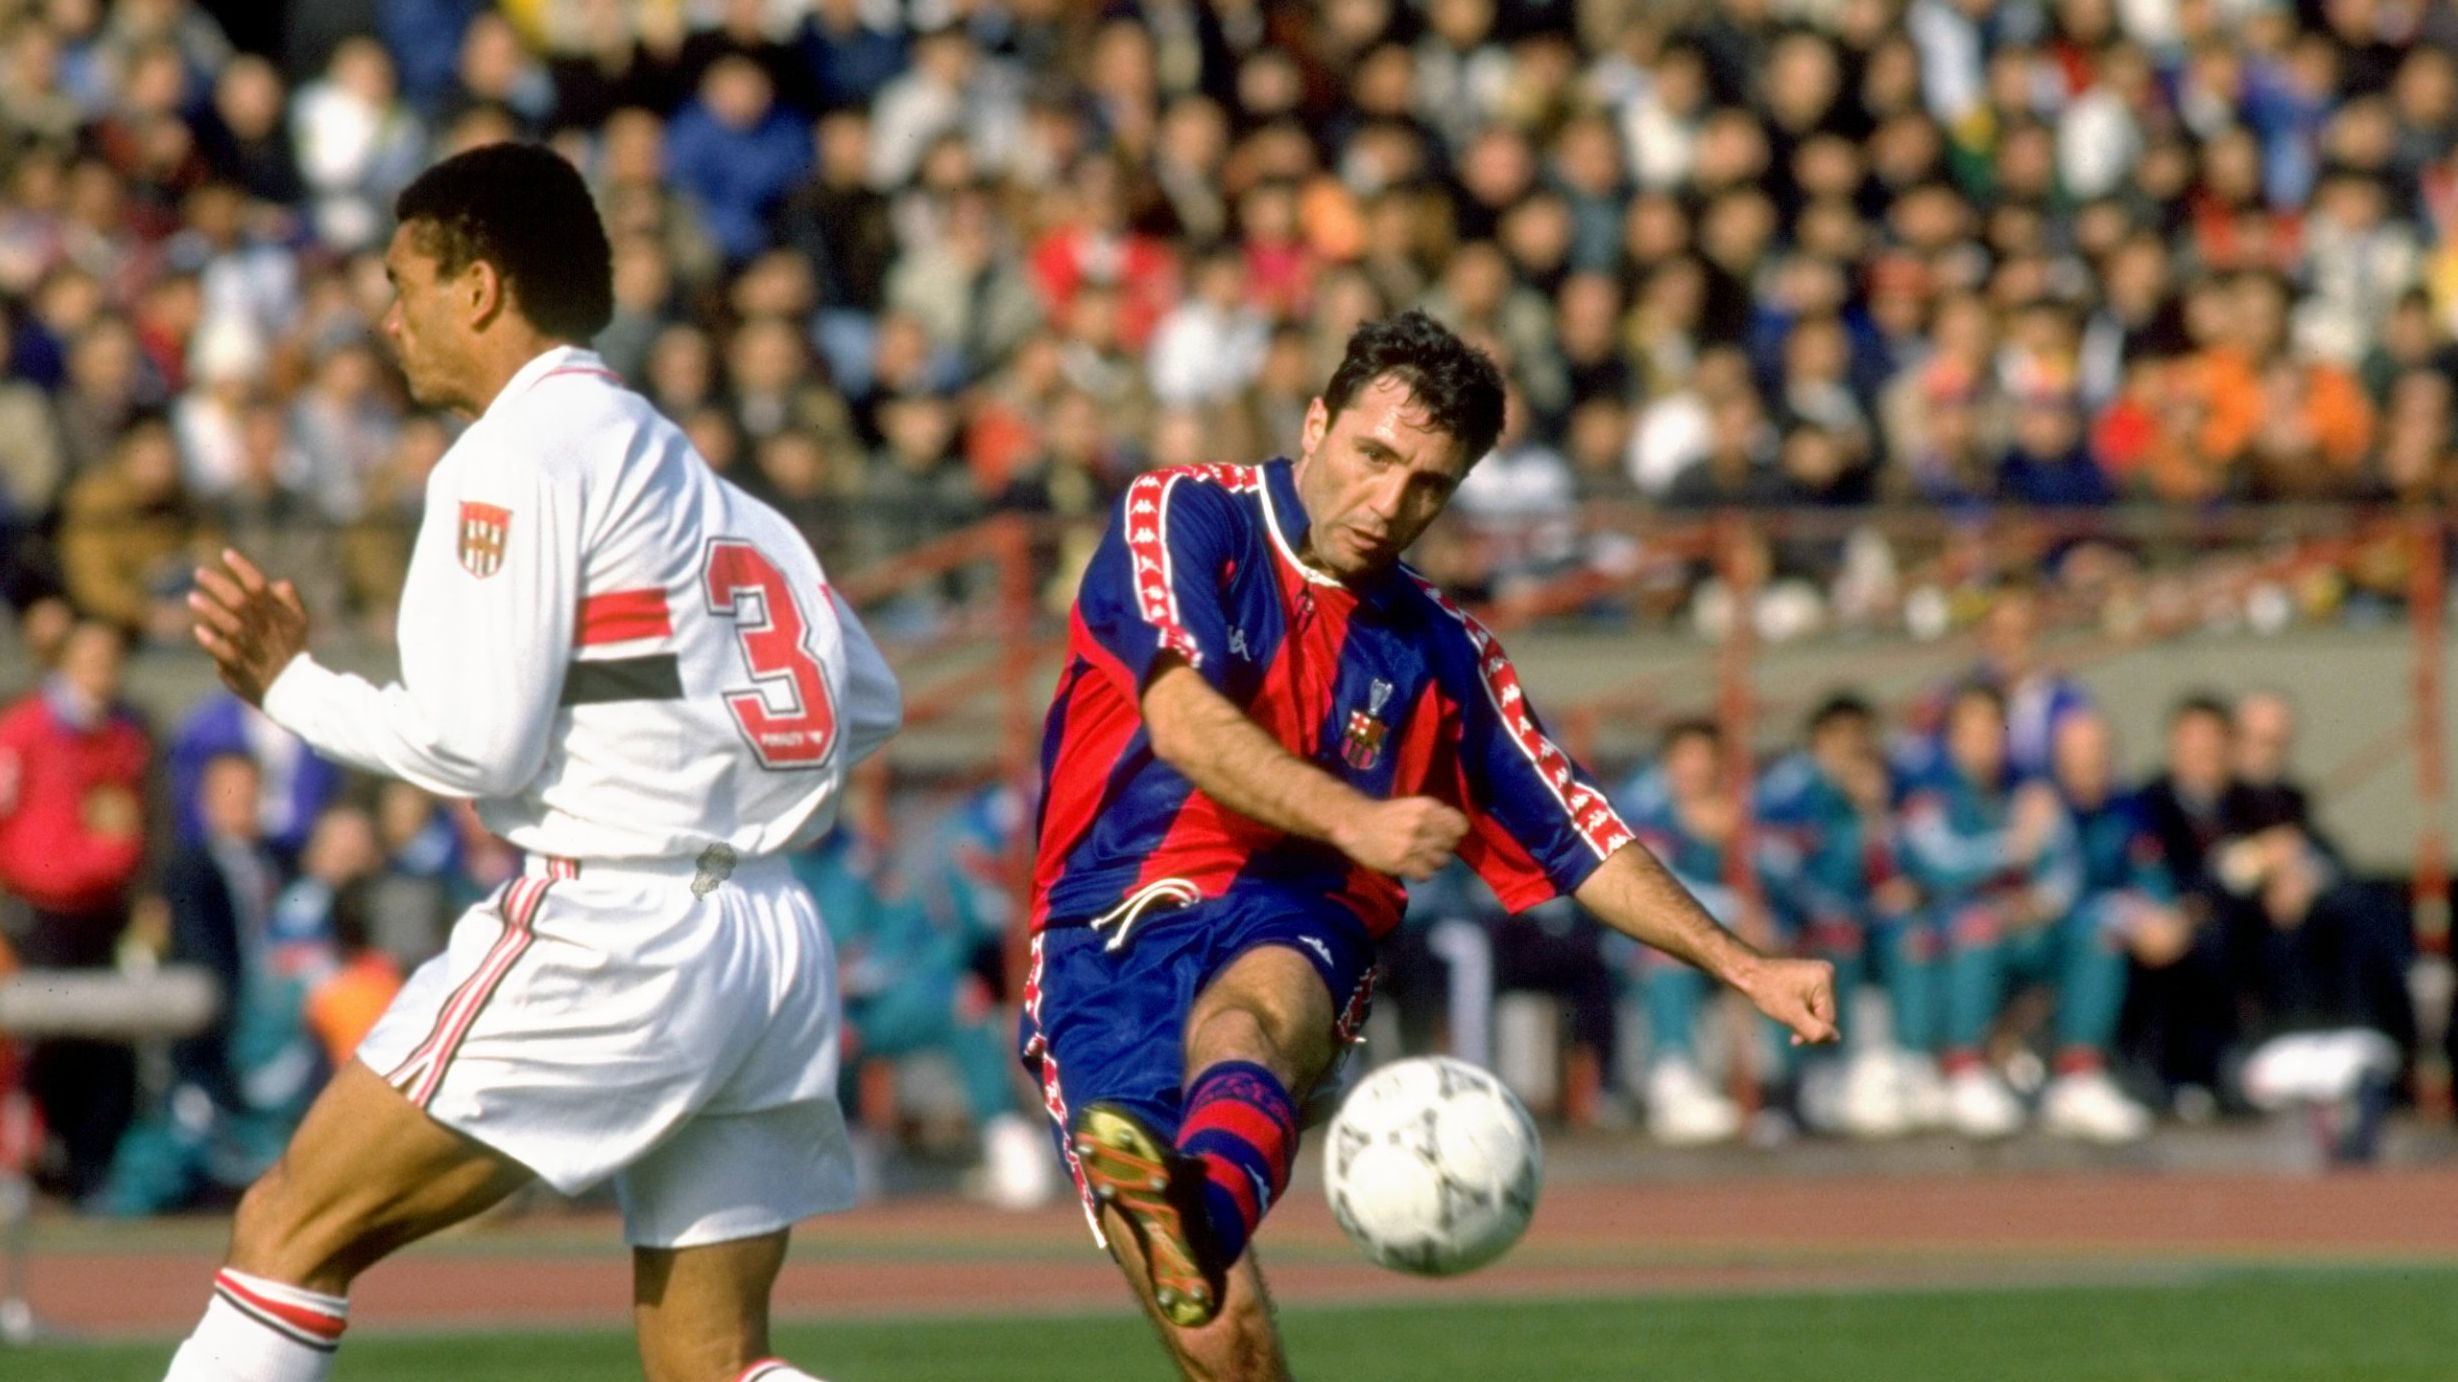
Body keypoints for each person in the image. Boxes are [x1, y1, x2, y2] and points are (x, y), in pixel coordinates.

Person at [169, 143, 901, 1382]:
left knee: (285, 1229)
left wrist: (289, 685)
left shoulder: (511, 454)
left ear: (480, 286)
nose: (388, 315)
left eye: (405, 280)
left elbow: (476, 741)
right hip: (770, 938)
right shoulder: (702, 480)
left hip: (615, 924)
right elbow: (863, 696)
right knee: (712, 1361)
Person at [1021, 311, 1835, 1378]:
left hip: (1299, 908)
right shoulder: (1187, 516)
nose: (1389, 502)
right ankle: (1196, 1218)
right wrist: (1352, 815)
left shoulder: (1442, 650)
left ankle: (1204, 1212)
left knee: (1256, 1014)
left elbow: (1579, 828)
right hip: (1112, 921)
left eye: (1428, 485)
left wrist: (1745, 962)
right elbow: (1182, 720)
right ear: (1315, 423)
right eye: (1374, 456)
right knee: (1228, 1341)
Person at [0, 617, 152, 1201]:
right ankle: (31, 1165)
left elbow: (131, 822)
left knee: (104, 1044)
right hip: (37, 917)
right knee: (40, 1043)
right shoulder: (26, 732)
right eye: (88, 657)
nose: (100, 670)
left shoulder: (123, 736)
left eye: (109, 657)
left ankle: (93, 1168)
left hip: (100, 917)